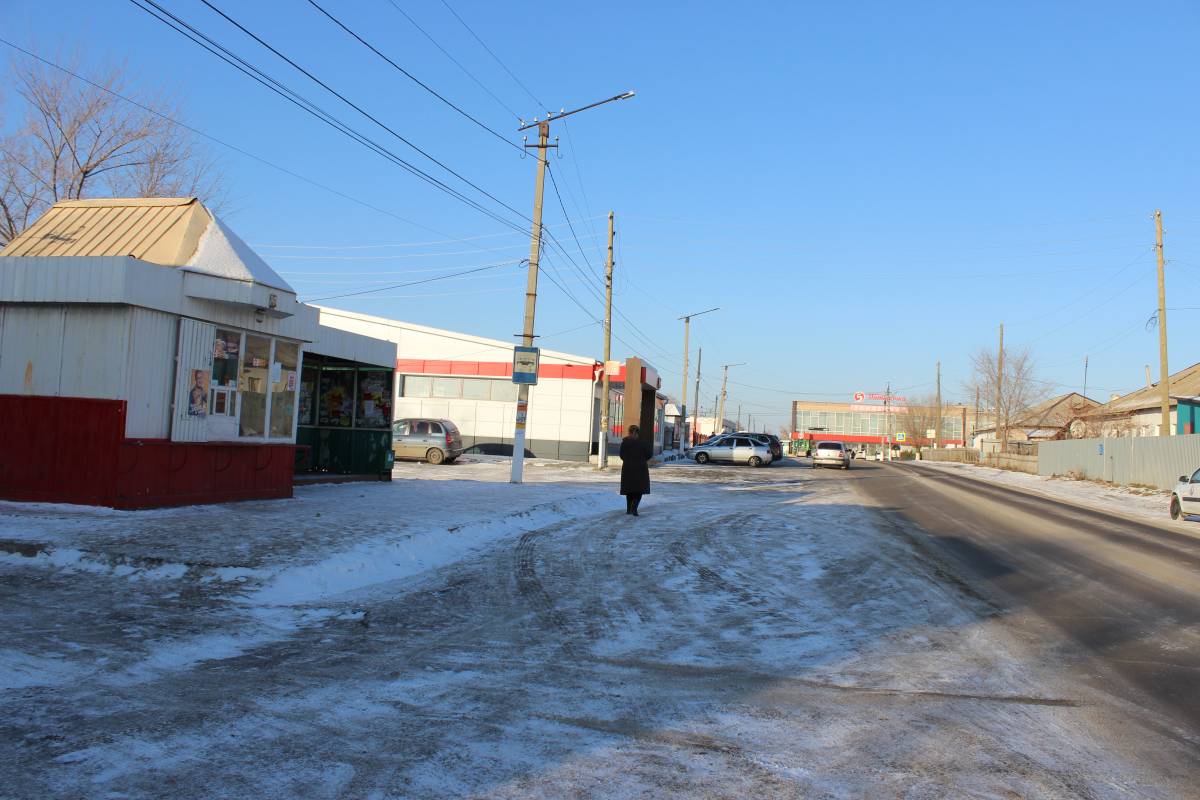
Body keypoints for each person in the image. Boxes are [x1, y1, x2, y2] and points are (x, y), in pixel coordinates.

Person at [619, 424, 651, 516]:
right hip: (641, 469)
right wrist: (641, 460)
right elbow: (649, 454)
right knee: (639, 490)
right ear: (637, 433)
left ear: (629, 432)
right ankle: (634, 508)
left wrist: (628, 460)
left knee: (629, 489)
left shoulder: (624, 442)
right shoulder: (642, 443)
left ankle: (629, 509)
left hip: (627, 468)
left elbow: (621, 455)